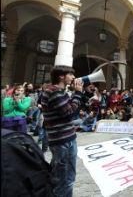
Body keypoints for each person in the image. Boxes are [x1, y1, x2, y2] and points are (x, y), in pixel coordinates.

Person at [41, 65, 84, 197]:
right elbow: (69, 113)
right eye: (70, 75)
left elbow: (67, 109)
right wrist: (77, 93)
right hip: (62, 140)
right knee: (66, 179)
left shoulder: (59, 91)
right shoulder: (54, 92)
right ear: (61, 76)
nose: (73, 77)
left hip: (64, 138)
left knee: (60, 175)